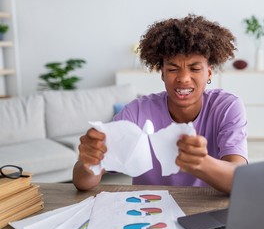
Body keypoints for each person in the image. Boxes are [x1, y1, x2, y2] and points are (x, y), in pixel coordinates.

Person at [73, 14, 248, 194]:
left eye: (195, 69)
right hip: (147, 212)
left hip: (205, 211)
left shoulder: (227, 107)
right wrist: (89, 163)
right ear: (162, 73)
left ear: (209, 73)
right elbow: (83, 182)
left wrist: (201, 163)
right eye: (173, 69)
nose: (183, 79)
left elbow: (240, 180)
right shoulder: (137, 112)